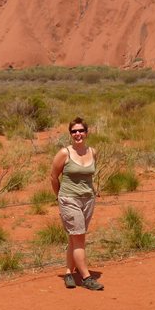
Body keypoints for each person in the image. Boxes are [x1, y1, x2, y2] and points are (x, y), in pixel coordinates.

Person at [50, 117, 104, 291]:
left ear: (86, 133)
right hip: (69, 199)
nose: (78, 134)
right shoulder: (64, 153)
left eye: (81, 130)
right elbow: (53, 176)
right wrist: (59, 196)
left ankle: (68, 273)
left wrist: (94, 190)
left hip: (88, 199)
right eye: (74, 131)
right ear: (70, 134)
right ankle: (86, 277)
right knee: (79, 237)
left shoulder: (92, 152)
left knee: (75, 237)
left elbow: (89, 176)